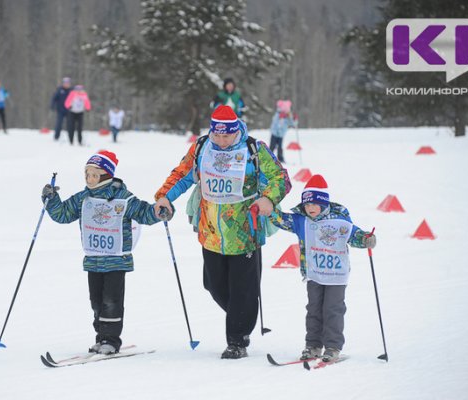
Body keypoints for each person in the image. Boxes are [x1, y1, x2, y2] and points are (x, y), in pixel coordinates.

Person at [153, 105, 291, 359]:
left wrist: (268, 200)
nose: (222, 140)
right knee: (213, 285)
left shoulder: (253, 149)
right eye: (217, 135)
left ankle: (237, 340)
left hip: (245, 231)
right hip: (211, 231)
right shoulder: (202, 147)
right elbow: (183, 175)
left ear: (236, 130)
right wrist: (164, 198)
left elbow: (280, 177)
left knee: (242, 289)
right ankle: (243, 314)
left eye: (226, 136)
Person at [41, 150, 168, 355]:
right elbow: (63, 214)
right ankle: (100, 338)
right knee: (96, 301)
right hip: (93, 260)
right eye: (87, 174)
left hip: (116, 260)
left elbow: (143, 212)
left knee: (112, 301)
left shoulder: (123, 198)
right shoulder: (84, 198)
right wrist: (51, 200)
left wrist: (158, 211)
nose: (89, 179)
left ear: (106, 175)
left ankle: (111, 339)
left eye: (94, 175)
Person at [269, 174, 377, 362]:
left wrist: (366, 239)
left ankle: (333, 347)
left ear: (324, 203)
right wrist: (266, 208)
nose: (310, 208)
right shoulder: (301, 220)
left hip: (336, 275)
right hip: (314, 274)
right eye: (307, 204)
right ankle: (313, 346)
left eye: (314, 204)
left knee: (333, 309)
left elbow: (355, 235)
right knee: (314, 310)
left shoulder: (340, 221)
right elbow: (280, 220)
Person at [50, 77, 72, 142]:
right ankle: (56, 137)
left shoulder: (71, 91)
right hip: (60, 110)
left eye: (68, 83)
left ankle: (70, 138)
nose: (66, 84)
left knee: (69, 125)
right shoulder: (59, 90)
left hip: (69, 110)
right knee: (59, 124)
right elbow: (54, 98)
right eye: (65, 83)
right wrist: (52, 105)